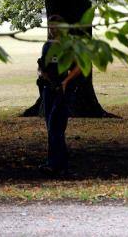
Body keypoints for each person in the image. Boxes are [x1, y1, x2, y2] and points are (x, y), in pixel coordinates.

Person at [37, 15, 82, 177]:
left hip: (63, 92)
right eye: (50, 26)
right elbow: (42, 65)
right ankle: (53, 164)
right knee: (51, 127)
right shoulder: (47, 46)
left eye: (56, 26)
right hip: (49, 90)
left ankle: (60, 165)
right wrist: (42, 74)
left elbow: (79, 67)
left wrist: (65, 82)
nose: (52, 29)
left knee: (57, 127)